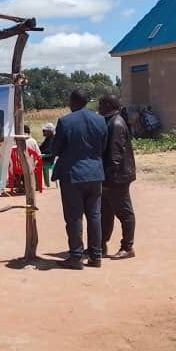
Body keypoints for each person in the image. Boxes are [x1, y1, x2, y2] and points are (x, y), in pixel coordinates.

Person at [50, 90, 108, 269]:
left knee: (74, 216)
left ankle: (76, 256)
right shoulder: (100, 120)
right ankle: (96, 256)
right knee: (95, 216)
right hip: (95, 174)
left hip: (73, 176)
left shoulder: (65, 121)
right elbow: (103, 146)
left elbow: (56, 149)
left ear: (72, 102)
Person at [98, 95, 136, 260]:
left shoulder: (116, 124)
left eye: (100, 104)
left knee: (124, 213)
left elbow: (115, 155)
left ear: (108, 105)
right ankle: (100, 245)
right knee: (105, 212)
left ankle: (127, 247)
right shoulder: (111, 121)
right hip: (112, 176)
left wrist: (108, 178)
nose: (98, 107)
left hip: (117, 177)